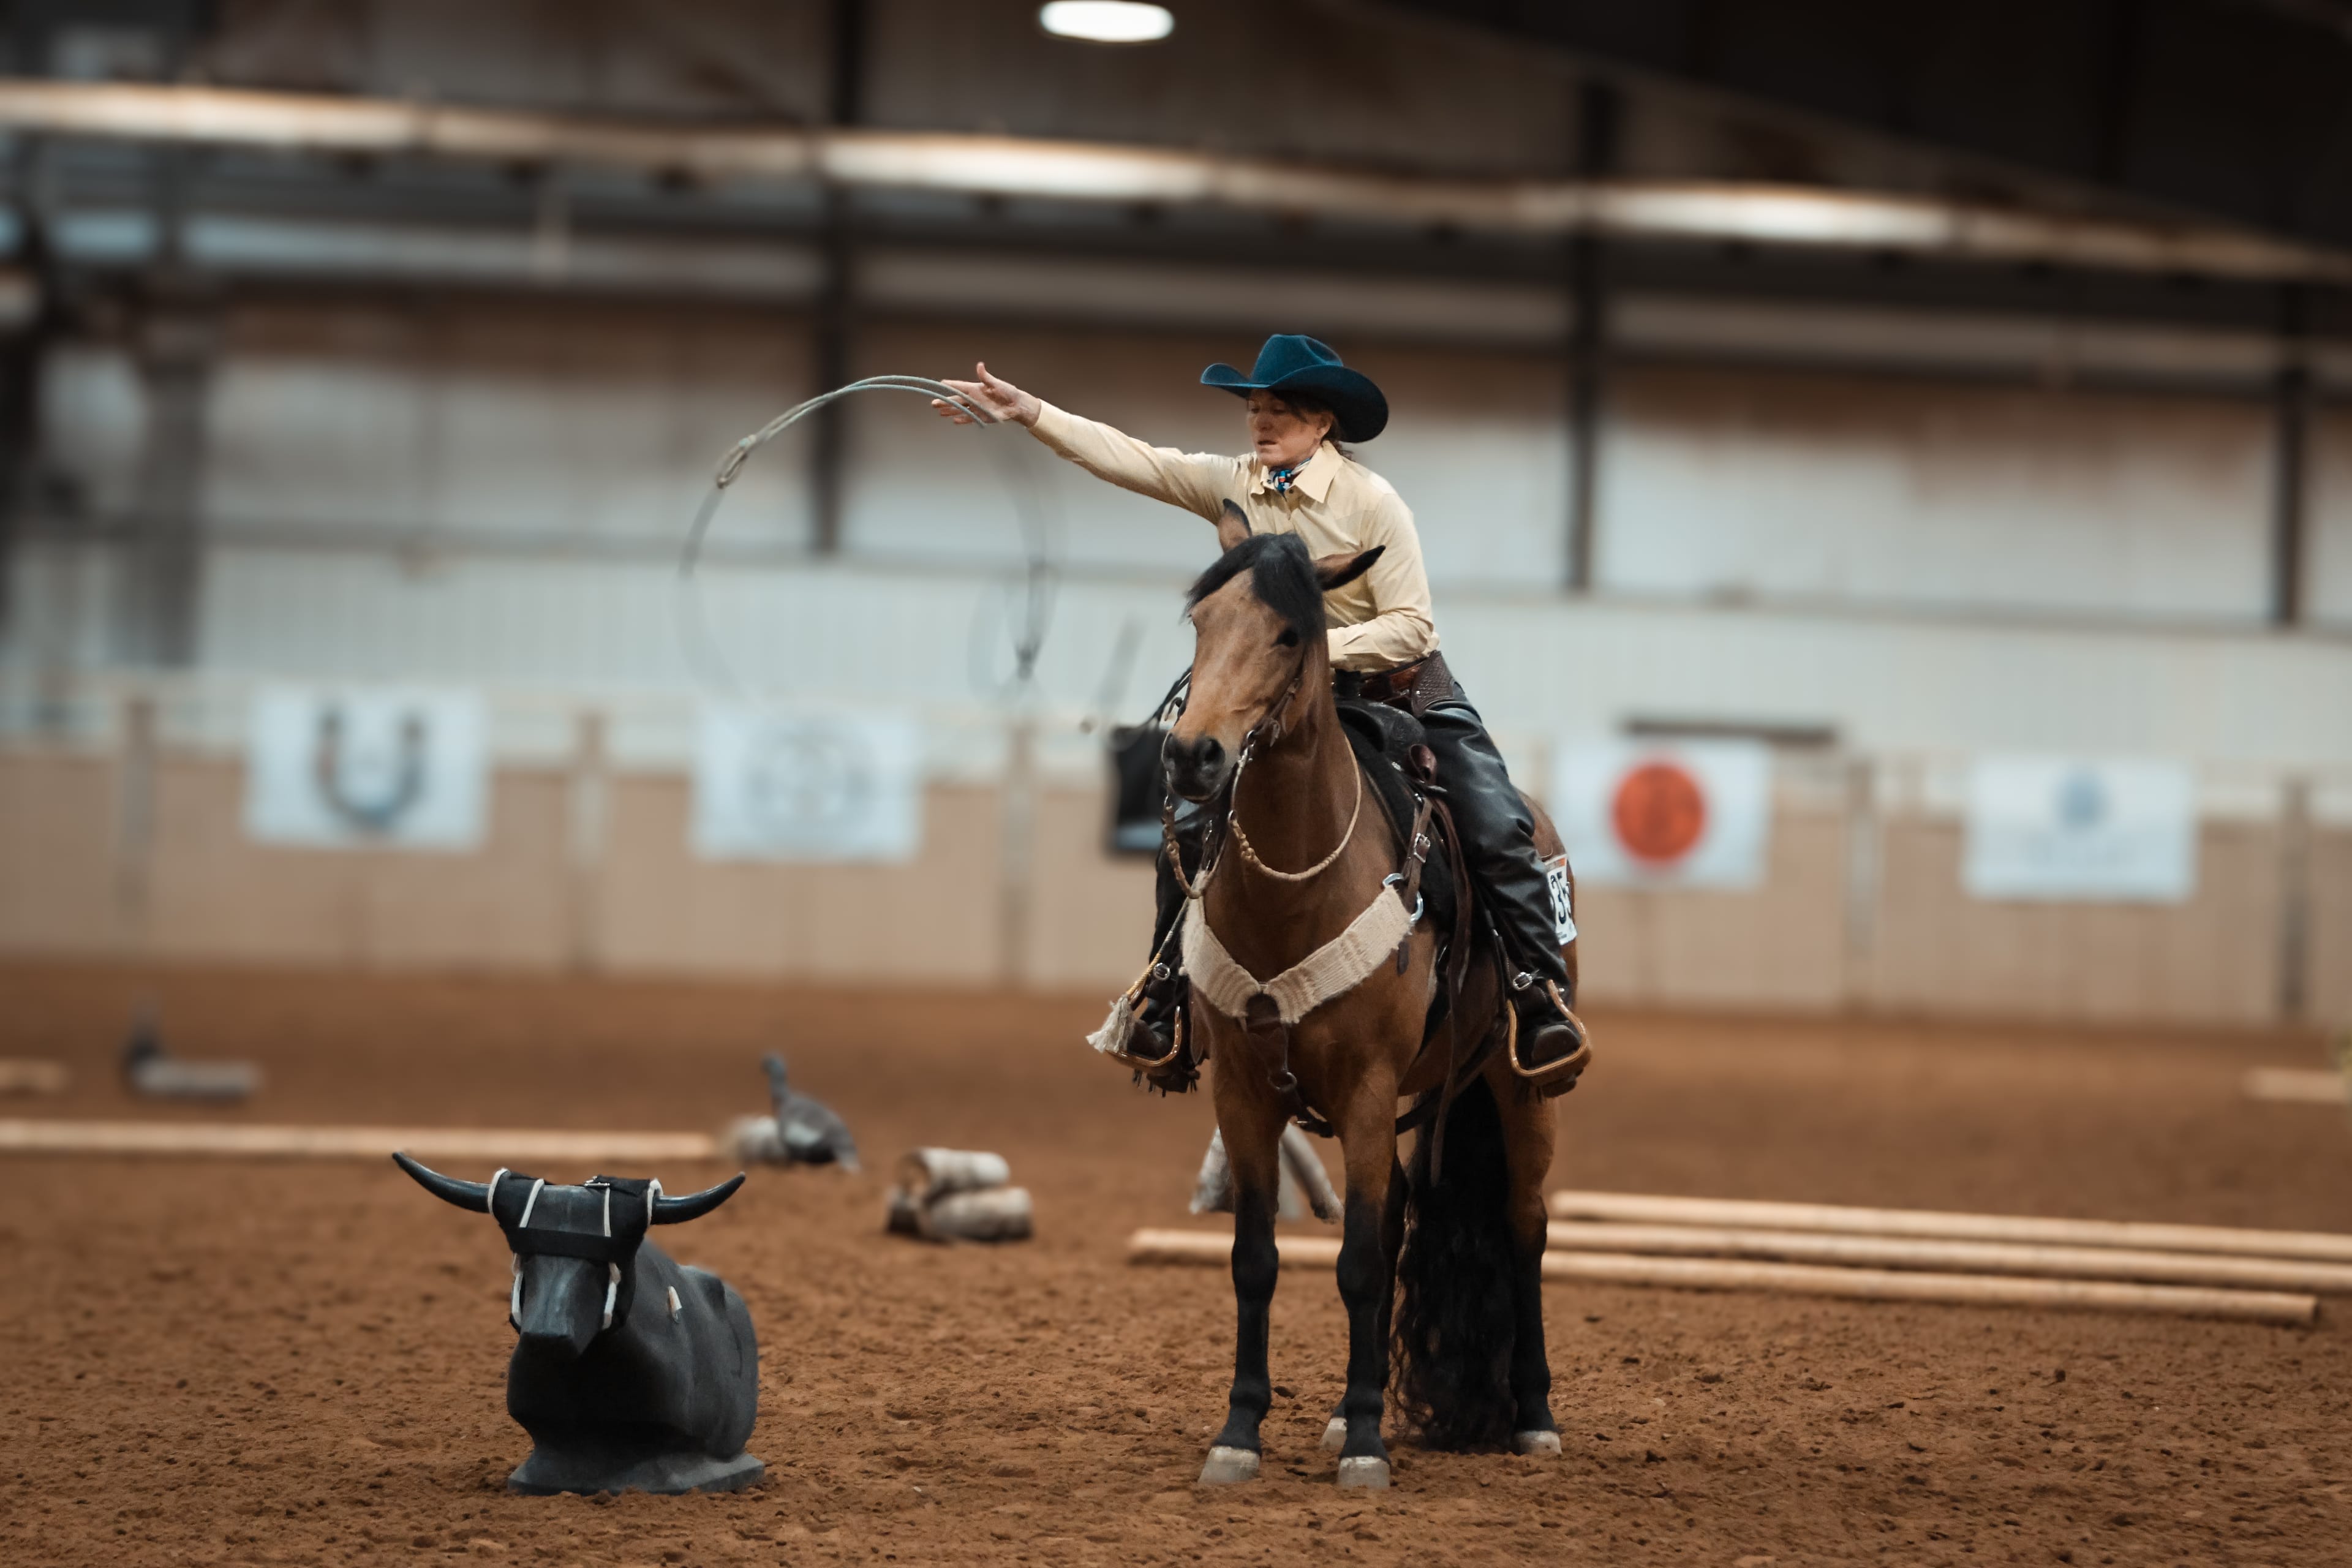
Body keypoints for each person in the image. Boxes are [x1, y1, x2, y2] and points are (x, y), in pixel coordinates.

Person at [933, 334, 1583, 1086]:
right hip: (1278, 699)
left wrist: (1311, 651)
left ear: (1322, 423)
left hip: (1399, 688)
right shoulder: (1233, 482)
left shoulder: (1373, 503)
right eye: (1256, 409)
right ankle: (1165, 995)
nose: (1262, 423)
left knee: (1497, 821)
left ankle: (1537, 994)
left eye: (1282, 410)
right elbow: (1133, 459)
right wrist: (1028, 412)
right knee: (1187, 828)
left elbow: (1412, 627)